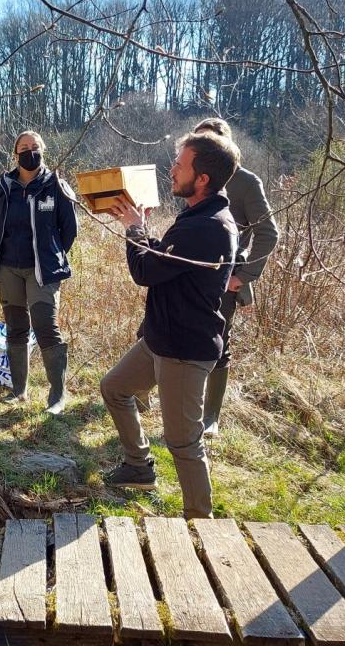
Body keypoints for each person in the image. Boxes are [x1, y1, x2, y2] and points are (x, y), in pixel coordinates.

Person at [100, 130, 240, 520]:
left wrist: (134, 229)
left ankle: (201, 519)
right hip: (161, 338)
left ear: (203, 179)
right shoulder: (197, 216)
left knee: (182, 442)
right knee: (114, 387)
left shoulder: (208, 225)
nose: (172, 170)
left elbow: (145, 270)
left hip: (184, 348)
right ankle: (138, 467)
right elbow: (169, 259)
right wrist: (144, 230)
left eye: (180, 165)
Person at [189, 118, 280, 436]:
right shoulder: (192, 179)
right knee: (153, 332)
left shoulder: (245, 182)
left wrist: (244, 276)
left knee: (217, 345)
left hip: (223, 281)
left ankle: (210, 418)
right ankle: (140, 399)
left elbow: (268, 233)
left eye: (209, 143)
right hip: (187, 275)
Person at [0, 130, 78, 414]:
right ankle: (19, 392)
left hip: (42, 271)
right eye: (24, 147)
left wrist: (51, 255)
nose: (30, 151)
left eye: (35, 146)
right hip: (8, 269)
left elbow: (70, 230)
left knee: (46, 328)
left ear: (43, 150)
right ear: (15, 154)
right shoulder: (5, 187)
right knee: (16, 329)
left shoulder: (56, 186)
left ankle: (57, 397)